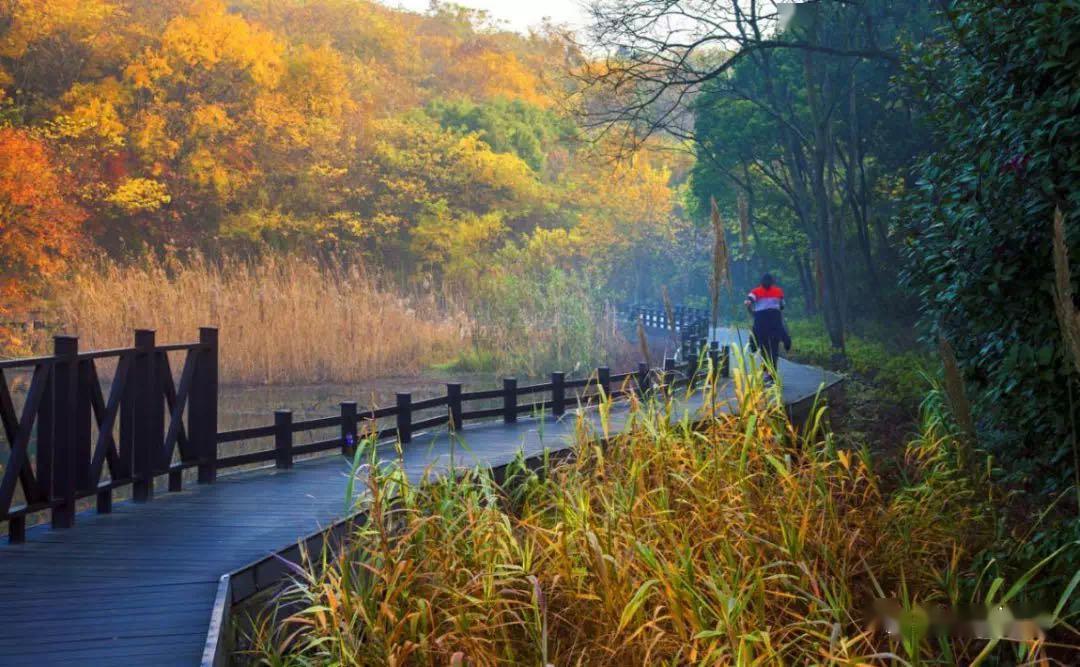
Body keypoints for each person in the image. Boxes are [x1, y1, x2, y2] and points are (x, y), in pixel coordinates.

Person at [744, 273, 791, 380]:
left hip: (761, 321)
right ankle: (786, 341)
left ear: (761, 282)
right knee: (774, 348)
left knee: (763, 347)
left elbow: (748, 302)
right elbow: (782, 305)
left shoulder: (756, 291)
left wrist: (752, 312)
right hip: (774, 320)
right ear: (772, 282)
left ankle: (753, 346)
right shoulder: (778, 291)